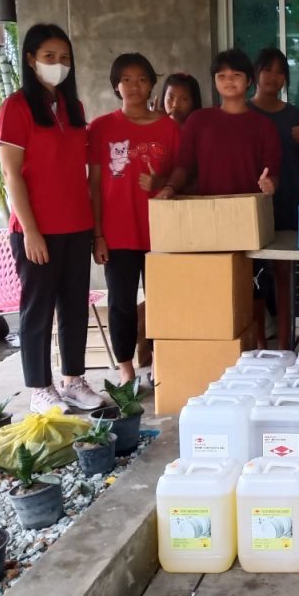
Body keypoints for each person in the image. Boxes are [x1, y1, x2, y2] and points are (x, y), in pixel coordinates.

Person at [0, 24, 104, 414]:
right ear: (30, 59)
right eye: (49, 57)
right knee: (38, 309)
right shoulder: (16, 107)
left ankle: (73, 380)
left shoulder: (74, 109)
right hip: (37, 229)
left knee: (74, 306)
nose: (58, 64)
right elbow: (11, 174)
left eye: (65, 58)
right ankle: (40, 387)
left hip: (77, 226)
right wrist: (30, 231)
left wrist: (94, 231)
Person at [89, 53, 179, 385]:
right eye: (126, 79)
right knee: (121, 302)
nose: (134, 86)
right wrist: (98, 234)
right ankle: (126, 368)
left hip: (161, 232)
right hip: (118, 232)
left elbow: (182, 176)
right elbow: (94, 184)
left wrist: (162, 182)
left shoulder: (169, 127)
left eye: (141, 79)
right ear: (116, 85)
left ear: (152, 84)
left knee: (161, 300)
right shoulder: (101, 128)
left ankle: (160, 361)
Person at [249, 47, 299, 350]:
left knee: (284, 275)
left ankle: (285, 345)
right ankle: (260, 346)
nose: (273, 77)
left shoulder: (294, 115)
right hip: (252, 206)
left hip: (289, 202)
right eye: (268, 69)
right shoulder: (243, 113)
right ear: (255, 74)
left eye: (280, 72)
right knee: (254, 278)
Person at [157, 49, 280, 201]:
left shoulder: (265, 126)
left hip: (251, 208)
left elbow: (273, 172)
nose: (229, 81)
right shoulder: (198, 120)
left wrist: (270, 184)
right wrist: (170, 187)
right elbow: (184, 165)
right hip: (209, 209)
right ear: (215, 81)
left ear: (249, 80)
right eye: (222, 76)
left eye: (236, 75)